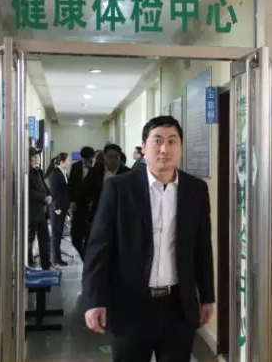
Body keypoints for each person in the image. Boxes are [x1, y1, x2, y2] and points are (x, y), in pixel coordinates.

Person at [82, 115, 215, 362]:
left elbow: (202, 246)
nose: (164, 149)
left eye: (172, 141)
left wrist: (207, 296)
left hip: (178, 306)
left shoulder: (195, 189)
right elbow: (99, 248)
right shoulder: (120, 188)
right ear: (144, 147)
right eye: (157, 141)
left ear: (180, 147)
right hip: (131, 304)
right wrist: (94, 299)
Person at [82, 143, 130, 223]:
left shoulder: (128, 173)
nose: (113, 160)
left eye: (116, 157)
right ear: (104, 157)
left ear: (120, 158)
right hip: (99, 213)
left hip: (120, 215)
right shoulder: (94, 172)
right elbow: (85, 191)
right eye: (110, 157)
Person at [67, 146, 95, 260]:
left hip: (93, 208)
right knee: (75, 238)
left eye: (90, 160)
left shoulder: (99, 168)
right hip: (78, 207)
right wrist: (72, 201)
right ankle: (86, 259)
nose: (87, 162)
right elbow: (71, 186)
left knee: (91, 238)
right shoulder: (76, 167)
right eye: (85, 160)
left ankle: (90, 262)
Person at [28, 147, 52, 270]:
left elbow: (45, 187)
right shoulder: (27, 172)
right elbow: (29, 191)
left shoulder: (39, 171)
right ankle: (28, 262)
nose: (38, 158)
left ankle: (46, 264)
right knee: (30, 238)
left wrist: (49, 195)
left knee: (45, 238)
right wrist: (44, 197)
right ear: (32, 158)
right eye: (37, 156)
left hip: (42, 212)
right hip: (33, 212)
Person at [48, 152, 71, 266]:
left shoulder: (64, 173)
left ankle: (57, 258)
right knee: (56, 234)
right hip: (57, 208)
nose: (69, 162)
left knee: (59, 233)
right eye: (68, 160)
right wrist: (56, 207)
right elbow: (54, 192)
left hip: (63, 207)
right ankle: (56, 259)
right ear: (62, 162)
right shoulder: (54, 174)